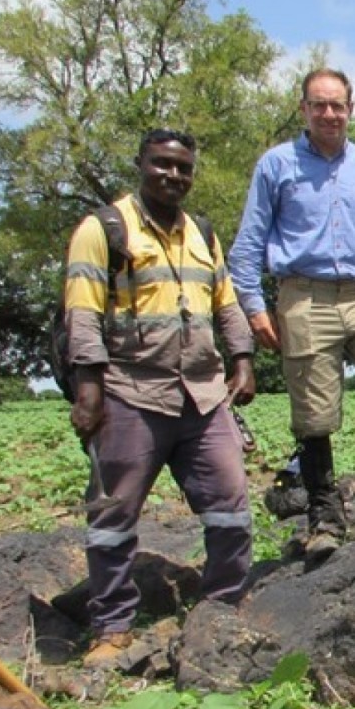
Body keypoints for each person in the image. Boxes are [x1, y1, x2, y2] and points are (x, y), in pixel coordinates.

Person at [229, 68, 355, 565]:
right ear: (303, 109)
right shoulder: (276, 166)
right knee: (313, 413)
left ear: (351, 108)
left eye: (337, 105)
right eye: (318, 105)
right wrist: (255, 309)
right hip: (303, 295)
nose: (328, 114)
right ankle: (325, 518)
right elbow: (246, 247)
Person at [63, 128, 256, 667]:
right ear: (141, 164)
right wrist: (89, 390)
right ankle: (112, 626)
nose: (173, 175)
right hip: (130, 391)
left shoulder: (202, 232)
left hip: (201, 392)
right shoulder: (103, 229)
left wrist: (241, 360)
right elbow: (81, 312)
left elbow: (226, 303)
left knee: (230, 506)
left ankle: (222, 604)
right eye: (162, 165)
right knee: (114, 516)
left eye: (183, 167)